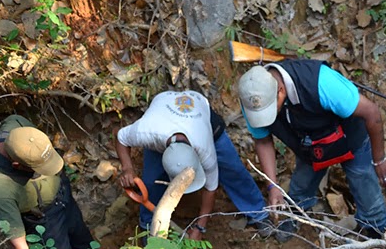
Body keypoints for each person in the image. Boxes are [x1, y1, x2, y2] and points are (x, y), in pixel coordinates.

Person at [236, 61, 386, 238]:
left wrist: (379, 159)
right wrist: (272, 186)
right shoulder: (253, 99)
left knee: (365, 186)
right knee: (301, 184)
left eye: (270, 110)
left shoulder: (322, 83)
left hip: (350, 136)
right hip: (309, 145)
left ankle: (378, 235)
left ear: (280, 91)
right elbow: (263, 140)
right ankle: (296, 215)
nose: (265, 118)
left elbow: (371, 112)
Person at [115, 90, 276, 240]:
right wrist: (127, 168)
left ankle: (258, 213)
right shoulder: (146, 132)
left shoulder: (205, 149)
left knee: (233, 170)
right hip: (162, 114)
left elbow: (210, 189)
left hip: (201, 115)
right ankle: (149, 227)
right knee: (151, 181)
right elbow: (121, 138)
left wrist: (200, 227)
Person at [0, 115, 94, 249]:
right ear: (17, 165)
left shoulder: (16, 124)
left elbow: (15, 119)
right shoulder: (0, 191)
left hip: (62, 193)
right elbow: (18, 244)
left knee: (82, 238)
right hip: (45, 219)